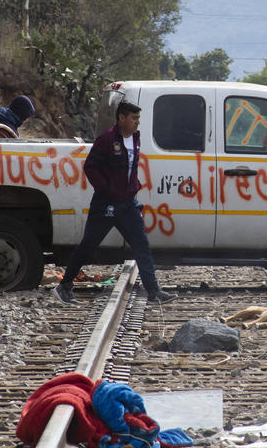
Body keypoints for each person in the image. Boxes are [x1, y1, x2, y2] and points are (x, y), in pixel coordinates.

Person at [54, 102, 176, 304]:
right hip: (106, 205)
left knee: (141, 245)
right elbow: (91, 167)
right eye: (134, 118)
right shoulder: (107, 139)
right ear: (122, 118)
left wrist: (133, 187)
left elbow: (131, 168)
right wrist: (107, 190)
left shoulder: (135, 139)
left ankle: (154, 292)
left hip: (128, 204)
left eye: (138, 118)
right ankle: (64, 286)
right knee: (88, 244)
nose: (137, 123)